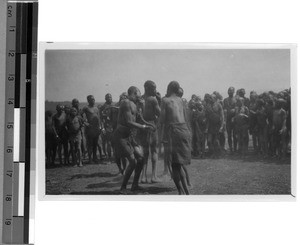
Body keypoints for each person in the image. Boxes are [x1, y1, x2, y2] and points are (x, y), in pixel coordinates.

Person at [113, 86, 155, 193]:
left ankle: (135, 185)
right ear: (134, 93)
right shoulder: (126, 103)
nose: (141, 96)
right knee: (132, 162)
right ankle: (123, 187)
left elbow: (140, 119)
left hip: (129, 136)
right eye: (139, 93)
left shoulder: (135, 105)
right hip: (121, 136)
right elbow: (128, 122)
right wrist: (144, 127)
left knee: (140, 159)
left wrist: (149, 124)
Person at [160, 81, 191, 195]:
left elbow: (162, 120)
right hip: (184, 131)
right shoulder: (182, 100)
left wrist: (161, 135)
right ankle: (186, 192)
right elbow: (186, 118)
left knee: (174, 165)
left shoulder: (165, 100)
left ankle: (180, 192)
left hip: (174, 132)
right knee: (179, 164)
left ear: (168, 88)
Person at [140, 80, 161, 183]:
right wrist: (160, 100)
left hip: (142, 127)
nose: (155, 90)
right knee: (154, 151)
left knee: (145, 152)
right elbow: (160, 113)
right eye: (154, 88)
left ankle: (143, 177)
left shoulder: (140, 99)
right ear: (147, 88)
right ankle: (153, 176)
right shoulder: (153, 99)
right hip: (152, 125)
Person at [82, 95, 101, 164]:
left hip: (96, 129)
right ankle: (90, 159)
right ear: (88, 100)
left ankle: (95, 158)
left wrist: (100, 127)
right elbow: (80, 116)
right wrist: (85, 123)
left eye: (94, 99)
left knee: (95, 144)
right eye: (91, 99)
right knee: (90, 144)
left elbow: (99, 118)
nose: (93, 100)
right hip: (90, 129)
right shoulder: (86, 108)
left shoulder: (96, 108)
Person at [99, 93, 114, 160]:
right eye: (108, 97)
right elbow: (101, 118)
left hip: (114, 125)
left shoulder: (114, 105)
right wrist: (102, 128)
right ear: (105, 99)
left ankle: (115, 156)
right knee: (108, 142)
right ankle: (109, 156)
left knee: (115, 142)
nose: (109, 98)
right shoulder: (103, 107)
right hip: (107, 126)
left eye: (110, 97)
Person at [223, 87, 237, 153]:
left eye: (231, 91)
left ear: (233, 92)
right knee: (229, 135)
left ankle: (235, 148)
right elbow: (223, 109)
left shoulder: (236, 99)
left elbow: (238, 108)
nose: (230, 92)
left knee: (235, 135)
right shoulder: (225, 100)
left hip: (235, 119)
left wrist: (234, 112)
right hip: (228, 119)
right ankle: (231, 148)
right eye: (229, 91)